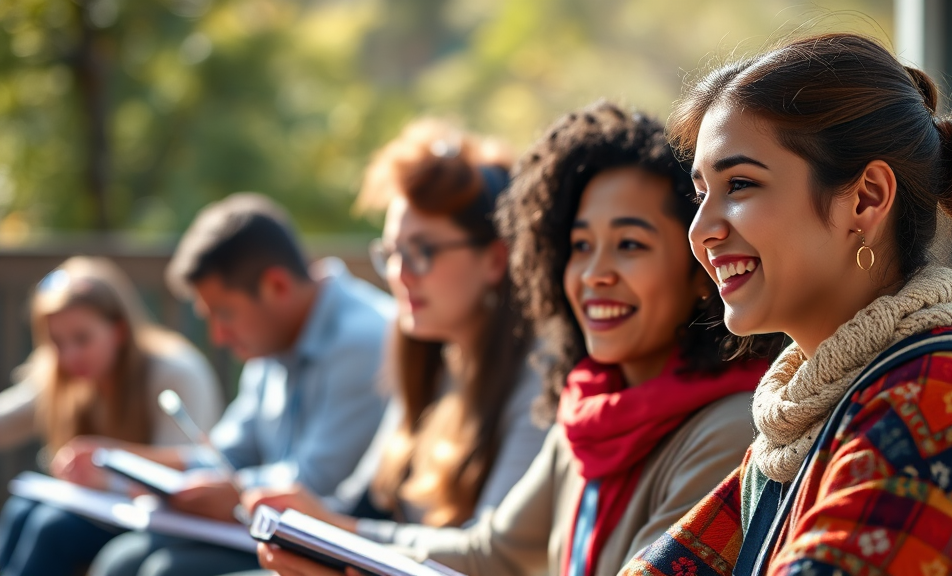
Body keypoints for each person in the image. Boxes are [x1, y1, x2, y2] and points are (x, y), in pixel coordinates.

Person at [255, 101, 780, 576]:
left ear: (698, 269)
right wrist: (335, 540)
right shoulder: (588, 410)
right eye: (579, 245)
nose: (594, 273)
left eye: (628, 244)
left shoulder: (729, 430)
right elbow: (492, 555)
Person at [620, 33, 952, 576]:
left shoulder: (948, 396)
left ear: (866, 198)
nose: (701, 231)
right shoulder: (799, 424)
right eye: (700, 194)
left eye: (740, 184)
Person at [235, 118, 549, 565]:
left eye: (423, 251)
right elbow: (364, 502)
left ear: (496, 259)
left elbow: (493, 558)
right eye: (393, 252)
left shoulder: (538, 376)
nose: (400, 274)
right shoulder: (427, 356)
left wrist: (336, 529)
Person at [87, 193, 394, 576]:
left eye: (225, 314)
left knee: (163, 571)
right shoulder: (273, 337)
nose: (218, 336)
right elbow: (229, 452)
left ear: (276, 286)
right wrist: (136, 465)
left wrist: (232, 492)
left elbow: (317, 484)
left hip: (333, 547)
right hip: (259, 528)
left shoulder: (366, 340)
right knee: (121, 560)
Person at [0, 256, 222, 576]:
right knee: (21, 509)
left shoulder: (175, 371)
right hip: (102, 511)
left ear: (117, 329)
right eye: (57, 343)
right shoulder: (62, 375)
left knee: (50, 527)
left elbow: (187, 472)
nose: (68, 355)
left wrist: (108, 468)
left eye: (82, 339)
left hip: (165, 522)